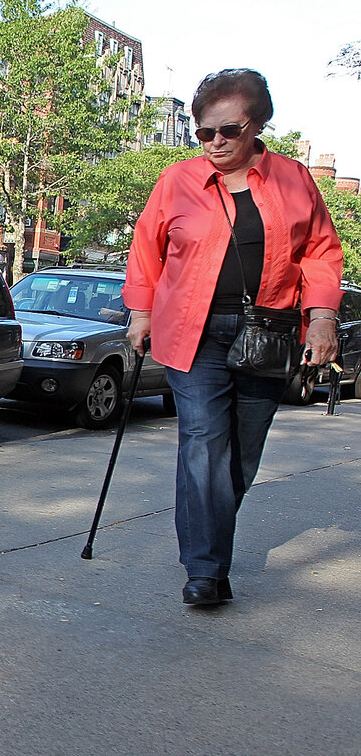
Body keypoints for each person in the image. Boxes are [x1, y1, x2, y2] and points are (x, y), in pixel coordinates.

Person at [123, 69, 343, 607]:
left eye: (229, 131)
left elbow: (320, 252)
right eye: (204, 133)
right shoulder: (176, 181)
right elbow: (146, 250)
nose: (215, 142)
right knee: (203, 444)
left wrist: (322, 319)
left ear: (258, 124)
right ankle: (205, 569)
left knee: (240, 458)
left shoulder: (294, 179)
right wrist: (140, 314)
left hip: (266, 335)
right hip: (192, 334)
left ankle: (207, 543)